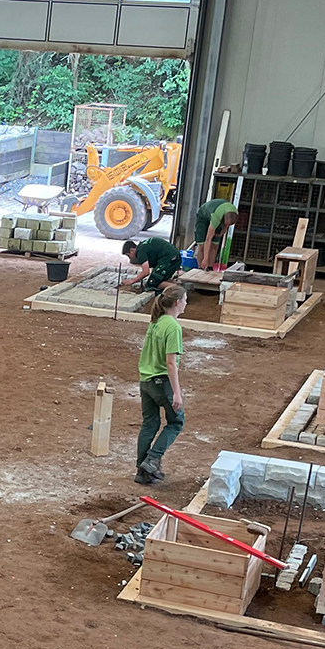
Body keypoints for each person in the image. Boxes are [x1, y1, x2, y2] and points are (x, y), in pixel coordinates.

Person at [136, 287, 186, 485]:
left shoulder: (155, 322)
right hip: (161, 382)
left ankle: (141, 470)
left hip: (145, 380)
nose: (186, 303)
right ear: (177, 303)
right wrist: (176, 393)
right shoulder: (173, 327)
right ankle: (152, 460)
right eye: (185, 300)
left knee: (149, 424)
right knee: (176, 422)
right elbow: (171, 363)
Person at [193, 197, 240, 269]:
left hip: (221, 217)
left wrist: (224, 229)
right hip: (203, 216)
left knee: (215, 245)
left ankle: (210, 267)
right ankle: (201, 267)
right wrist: (206, 258)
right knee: (202, 245)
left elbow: (228, 222)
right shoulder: (216, 217)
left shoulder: (235, 213)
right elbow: (208, 239)